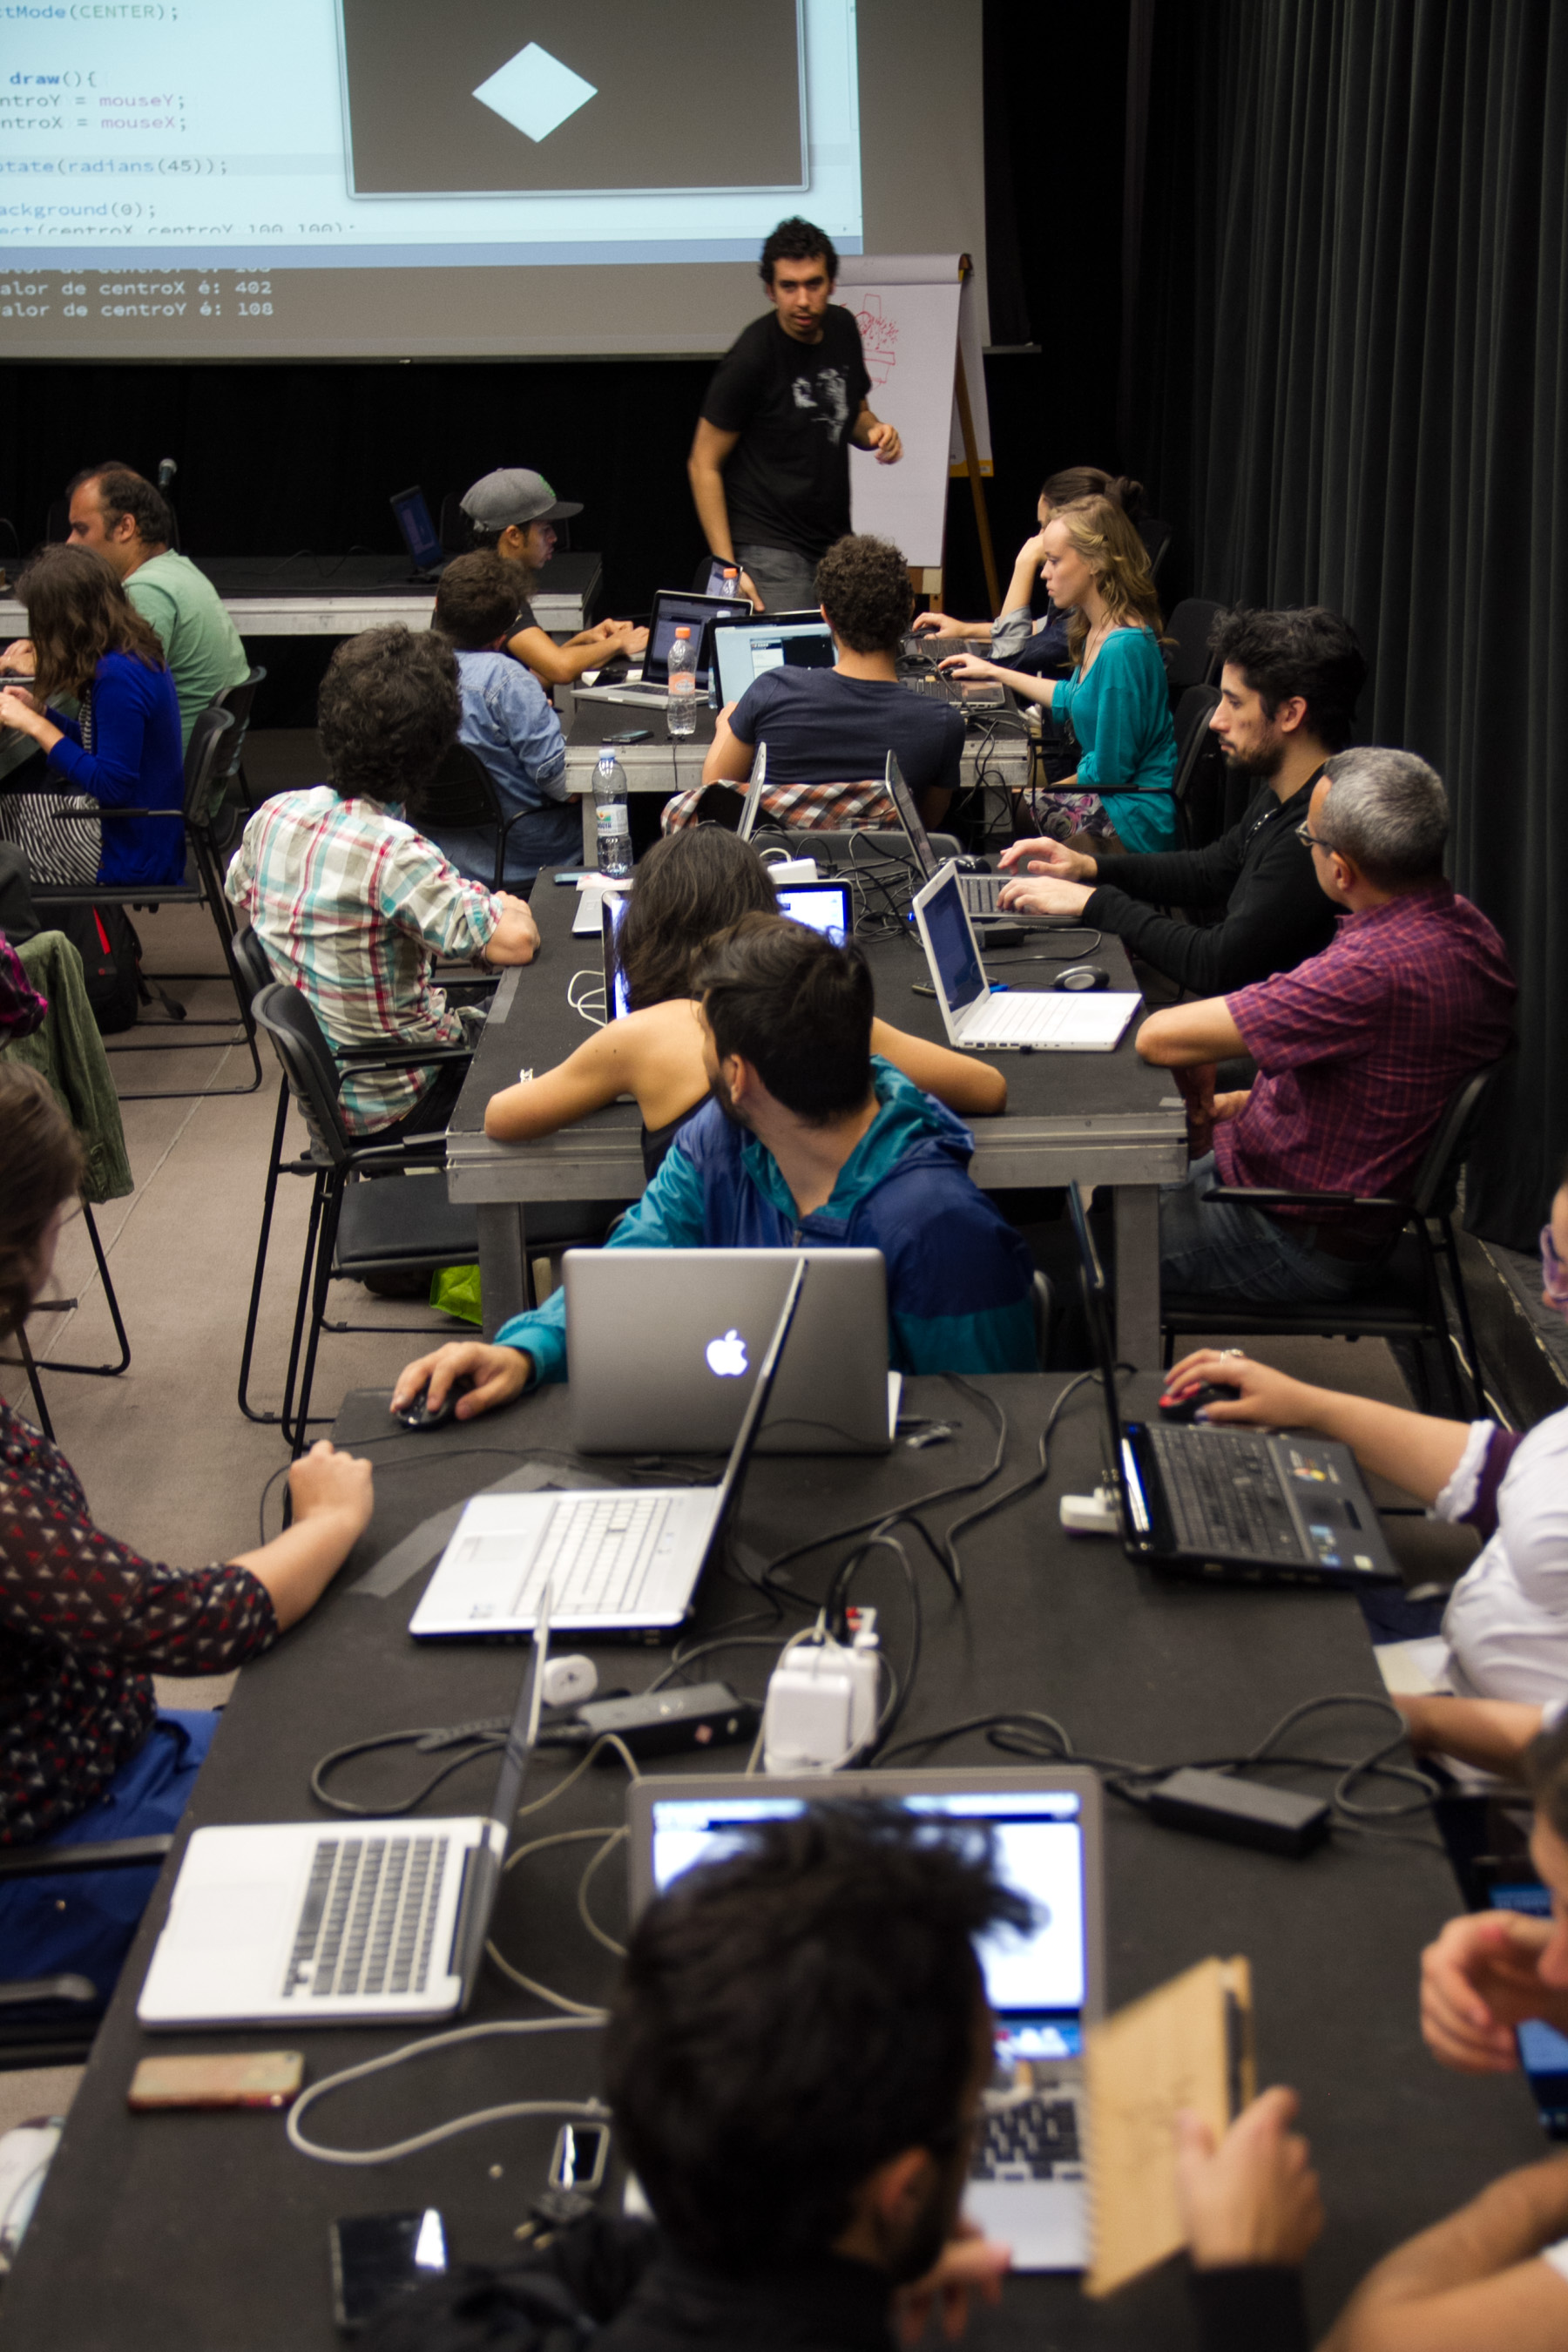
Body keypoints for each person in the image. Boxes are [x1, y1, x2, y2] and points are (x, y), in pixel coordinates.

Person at [0, 1063, 374, 2000]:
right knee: (378, 1843)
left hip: (97, 1758)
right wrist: (328, 1520)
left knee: (360, 1747)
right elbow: (185, 1624)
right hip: (60, 1846)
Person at [393, 914, 1038, 1418]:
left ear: (737, 1076)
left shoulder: (941, 1229)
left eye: (702, 1030)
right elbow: (637, 1260)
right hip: (751, 1457)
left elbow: (996, 1430)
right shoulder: (724, 1140)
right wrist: (526, 1349)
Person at [1161, 1175, 1568, 1761]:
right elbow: (1506, 1471)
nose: (1550, 1298)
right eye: (1551, 1256)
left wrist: (1384, 1713)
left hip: (1491, 1763)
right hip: (1448, 1671)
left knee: (1205, 1692)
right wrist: (1310, 1407)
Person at [1138, 747, 1516, 1306]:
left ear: (1340, 871)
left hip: (1290, 1233)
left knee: (1089, 1249)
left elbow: (1158, 1037)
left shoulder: (1370, 971)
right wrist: (1246, 1102)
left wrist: (1201, 1084)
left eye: (1308, 838)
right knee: (1113, 1194)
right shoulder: (1468, 926)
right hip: (1309, 1195)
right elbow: (1380, 1084)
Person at [485, 828, 1006, 1177]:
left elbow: (501, 1117)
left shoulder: (633, 1040)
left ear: (644, 930)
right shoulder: (827, 1016)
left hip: (707, 1285)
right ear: (765, 915)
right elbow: (989, 1088)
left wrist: (603, 1082)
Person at [225, 625, 540, 1141]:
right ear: (435, 746)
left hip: (334, 1087)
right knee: (554, 1030)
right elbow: (517, 941)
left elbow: (238, 889)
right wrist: (506, 903)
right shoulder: (393, 852)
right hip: (408, 1095)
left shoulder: (274, 815)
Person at [997, 606, 1367, 995]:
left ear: (1291, 714)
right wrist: (1087, 866)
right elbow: (1210, 870)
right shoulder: (1287, 792)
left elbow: (1215, 964)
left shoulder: (1314, 835)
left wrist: (1093, 902)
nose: (1216, 720)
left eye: (1234, 703)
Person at [939, 495, 1179, 853]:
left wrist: (1042, 793)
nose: (1044, 573)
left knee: (986, 808)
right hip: (1113, 796)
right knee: (994, 803)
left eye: (1054, 560)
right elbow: (1072, 696)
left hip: (1132, 814)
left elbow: (1110, 774)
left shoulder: (1121, 648)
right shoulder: (1097, 627)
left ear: (1095, 561)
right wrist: (994, 672)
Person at [688, 216, 902, 615]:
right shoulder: (752, 356)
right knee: (794, 654)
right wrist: (727, 568)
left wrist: (876, 431)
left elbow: (853, 413)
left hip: (834, 542)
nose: (803, 300)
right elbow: (703, 463)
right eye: (789, 286)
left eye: (813, 284)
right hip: (769, 546)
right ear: (770, 290)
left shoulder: (843, 329)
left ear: (831, 284)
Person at [692, 532, 964, 828]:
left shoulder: (771, 691)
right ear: (910, 609)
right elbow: (925, 826)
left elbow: (714, 795)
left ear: (826, 616)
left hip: (777, 860)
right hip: (887, 861)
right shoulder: (943, 725)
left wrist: (725, 727)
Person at [0, 543, 185, 888]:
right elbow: (98, 746)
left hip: (123, 850)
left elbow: (111, 786)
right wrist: (42, 711)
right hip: (135, 834)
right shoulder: (128, 653)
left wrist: (35, 725)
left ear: (64, 622)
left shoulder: (117, 676)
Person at [62, 462, 247, 749]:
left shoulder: (147, 591)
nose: (70, 543)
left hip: (156, 772)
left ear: (125, 527)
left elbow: (107, 689)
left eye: (81, 529)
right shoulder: (178, 570)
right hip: (186, 765)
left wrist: (45, 666)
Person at [425, 550, 578, 886]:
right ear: (501, 637)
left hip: (441, 858)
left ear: (437, 605)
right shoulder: (505, 680)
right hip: (528, 853)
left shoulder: (408, 668)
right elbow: (565, 787)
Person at [914, 465, 1142, 675]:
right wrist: (965, 630)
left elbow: (1006, 659)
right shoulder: (1089, 607)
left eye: (1045, 527)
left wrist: (1025, 561)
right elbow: (1042, 628)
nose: (1038, 538)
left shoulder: (1101, 626)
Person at [458, 468, 647, 688]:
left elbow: (535, 677)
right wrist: (619, 643)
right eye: (545, 529)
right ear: (514, 536)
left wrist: (585, 640)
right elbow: (560, 669)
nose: (554, 537)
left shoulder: (484, 578)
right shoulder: (491, 593)